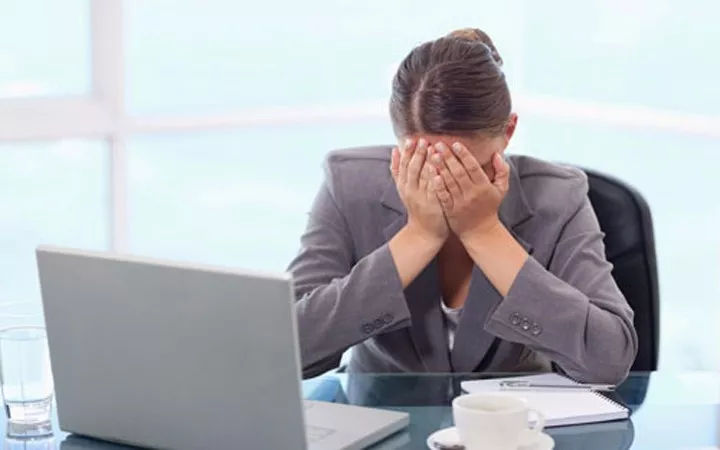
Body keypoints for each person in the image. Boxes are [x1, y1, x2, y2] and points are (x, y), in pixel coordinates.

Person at [288, 28, 638, 383]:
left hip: (516, 412)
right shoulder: (348, 185)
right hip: (383, 410)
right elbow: (287, 348)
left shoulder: (558, 197)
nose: (446, 187)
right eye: (426, 167)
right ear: (399, 143)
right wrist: (417, 237)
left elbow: (609, 361)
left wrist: (484, 232)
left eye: (469, 169)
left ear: (508, 133)